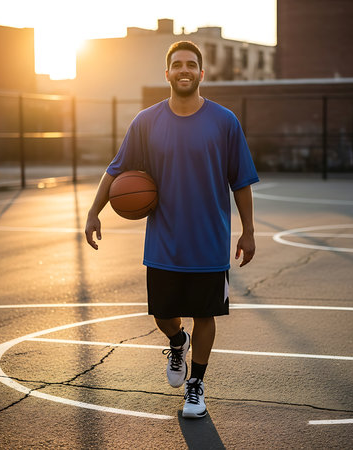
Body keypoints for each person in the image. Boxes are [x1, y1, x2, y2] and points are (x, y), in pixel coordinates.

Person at [85, 41, 259, 419]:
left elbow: (240, 180)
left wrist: (248, 231)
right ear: (167, 73)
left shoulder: (225, 121)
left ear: (201, 73)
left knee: (206, 316)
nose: (184, 70)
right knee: (164, 315)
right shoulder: (146, 122)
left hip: (210, 242)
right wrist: (94, 212)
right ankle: (178, 342)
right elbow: (116, 170)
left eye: (191, 65)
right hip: (164, 241)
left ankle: (196, 386)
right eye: (177, 64)